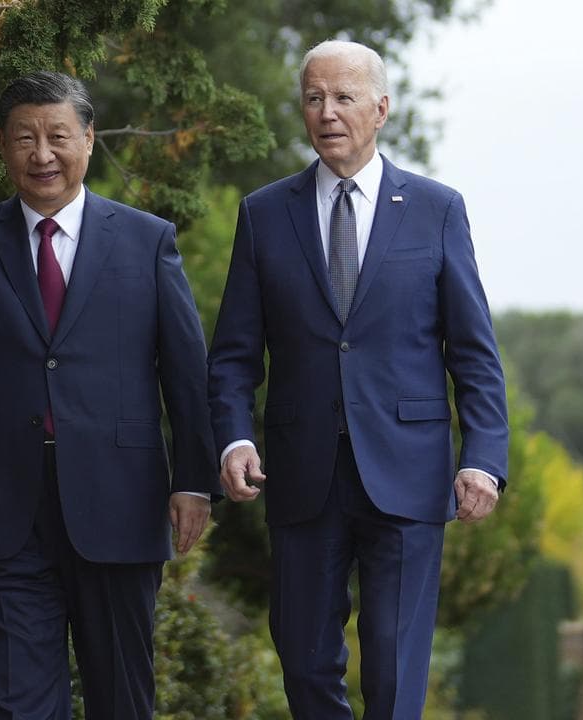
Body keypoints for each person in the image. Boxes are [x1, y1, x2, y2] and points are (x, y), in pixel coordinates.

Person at [0, 71, 217, 720]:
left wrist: (194, 480)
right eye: (24, 139)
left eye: (58, 136)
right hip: (3, 506)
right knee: (18, 703)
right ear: (3, 150)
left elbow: (185, 372)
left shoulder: (148, 241)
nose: (42, 154)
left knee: (122, 698)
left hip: (120, 500)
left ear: (88, 140)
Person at [207, 40, 509, 719]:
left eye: (343, 97)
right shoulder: (264, 213)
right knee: (305, 659)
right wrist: (232, 440)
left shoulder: (436, 208)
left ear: (381, 108)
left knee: (395, 664)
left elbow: (473, 349)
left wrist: (484, 459)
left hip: (409, 469)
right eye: (314, 98)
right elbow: (232, 354)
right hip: (302, 468)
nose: (327, 112)